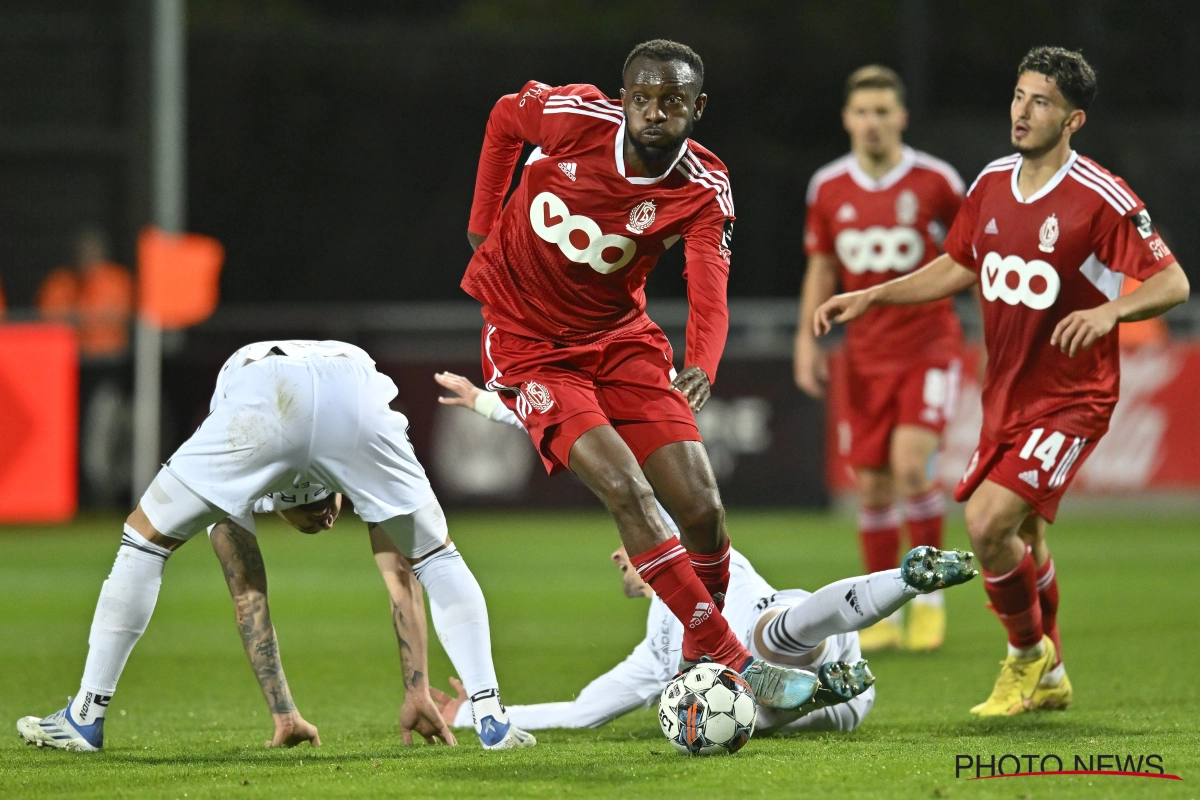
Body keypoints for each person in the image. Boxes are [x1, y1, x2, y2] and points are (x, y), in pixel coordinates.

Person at [814, 47, 1189, 716]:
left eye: (1040, 101)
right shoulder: (989, 182)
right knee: (1027, 542)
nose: (1022, 110)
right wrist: (875, 296)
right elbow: (957, 265)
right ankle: (1055, 675)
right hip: (1008, 394)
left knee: (986, 524)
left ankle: (1024, 657)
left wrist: (1111, 310)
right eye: (1018, 95)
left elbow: (1172, 281)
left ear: (1072, 119)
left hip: (1073, 398)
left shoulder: (1100, 196)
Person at [460, 38, 820, 710]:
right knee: (627, 487)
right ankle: (734, 659)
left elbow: (709, 286)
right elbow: (506, 118)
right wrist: (484, 225)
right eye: (644, 98)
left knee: (704, 512)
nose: (656, 112)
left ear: (696, 107)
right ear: (624, 99)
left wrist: (701, 364)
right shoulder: (573, 118)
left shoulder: (704, 186)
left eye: (673, 101)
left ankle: (694, 662)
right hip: (529, 342)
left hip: (619, 339)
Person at [17, 340, 534, 751]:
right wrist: (404, 689)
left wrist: (410, 691)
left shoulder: (230, 446)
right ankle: (490, 714)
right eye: (314, 514)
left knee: (143, 540)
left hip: (264, 391)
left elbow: (248, 596)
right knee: (438, 554)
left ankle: (86, 716)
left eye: (325, 508)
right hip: (352, 391)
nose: (328, 519)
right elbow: (406, 574)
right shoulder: (349, 463)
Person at [433, 372, 978, 734]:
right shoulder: (651, 654)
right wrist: (472, 715)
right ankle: (808, 693)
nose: (619, 556)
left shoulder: (685, 550)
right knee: (737, 709)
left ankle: (909, 579)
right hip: (843, 707)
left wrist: (488, 404)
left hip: (817, 634)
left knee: (772, 633)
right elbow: (580, 714)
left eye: (626, 546)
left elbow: (584, 425)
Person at [794, 66, 967, 654]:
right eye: (862, 111)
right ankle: (881, 611)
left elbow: (974, 260)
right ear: (847, 118)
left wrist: (996, 341)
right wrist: (805, 342)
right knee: (870, 486)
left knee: (911, 467)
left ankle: (931, 599)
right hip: (863, 356)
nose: (872, 122)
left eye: (882, 111)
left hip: (928, 345)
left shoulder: (937, 181)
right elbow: (820, 266)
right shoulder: (827, 187)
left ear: (901, 118)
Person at [38, 228, 134, 359]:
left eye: (92, 253)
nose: (86, 259)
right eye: (82, 254)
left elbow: (126, 316)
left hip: (110, 356)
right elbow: (49, 322)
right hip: (68, 357)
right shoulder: (60, 283)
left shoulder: (118, 280)